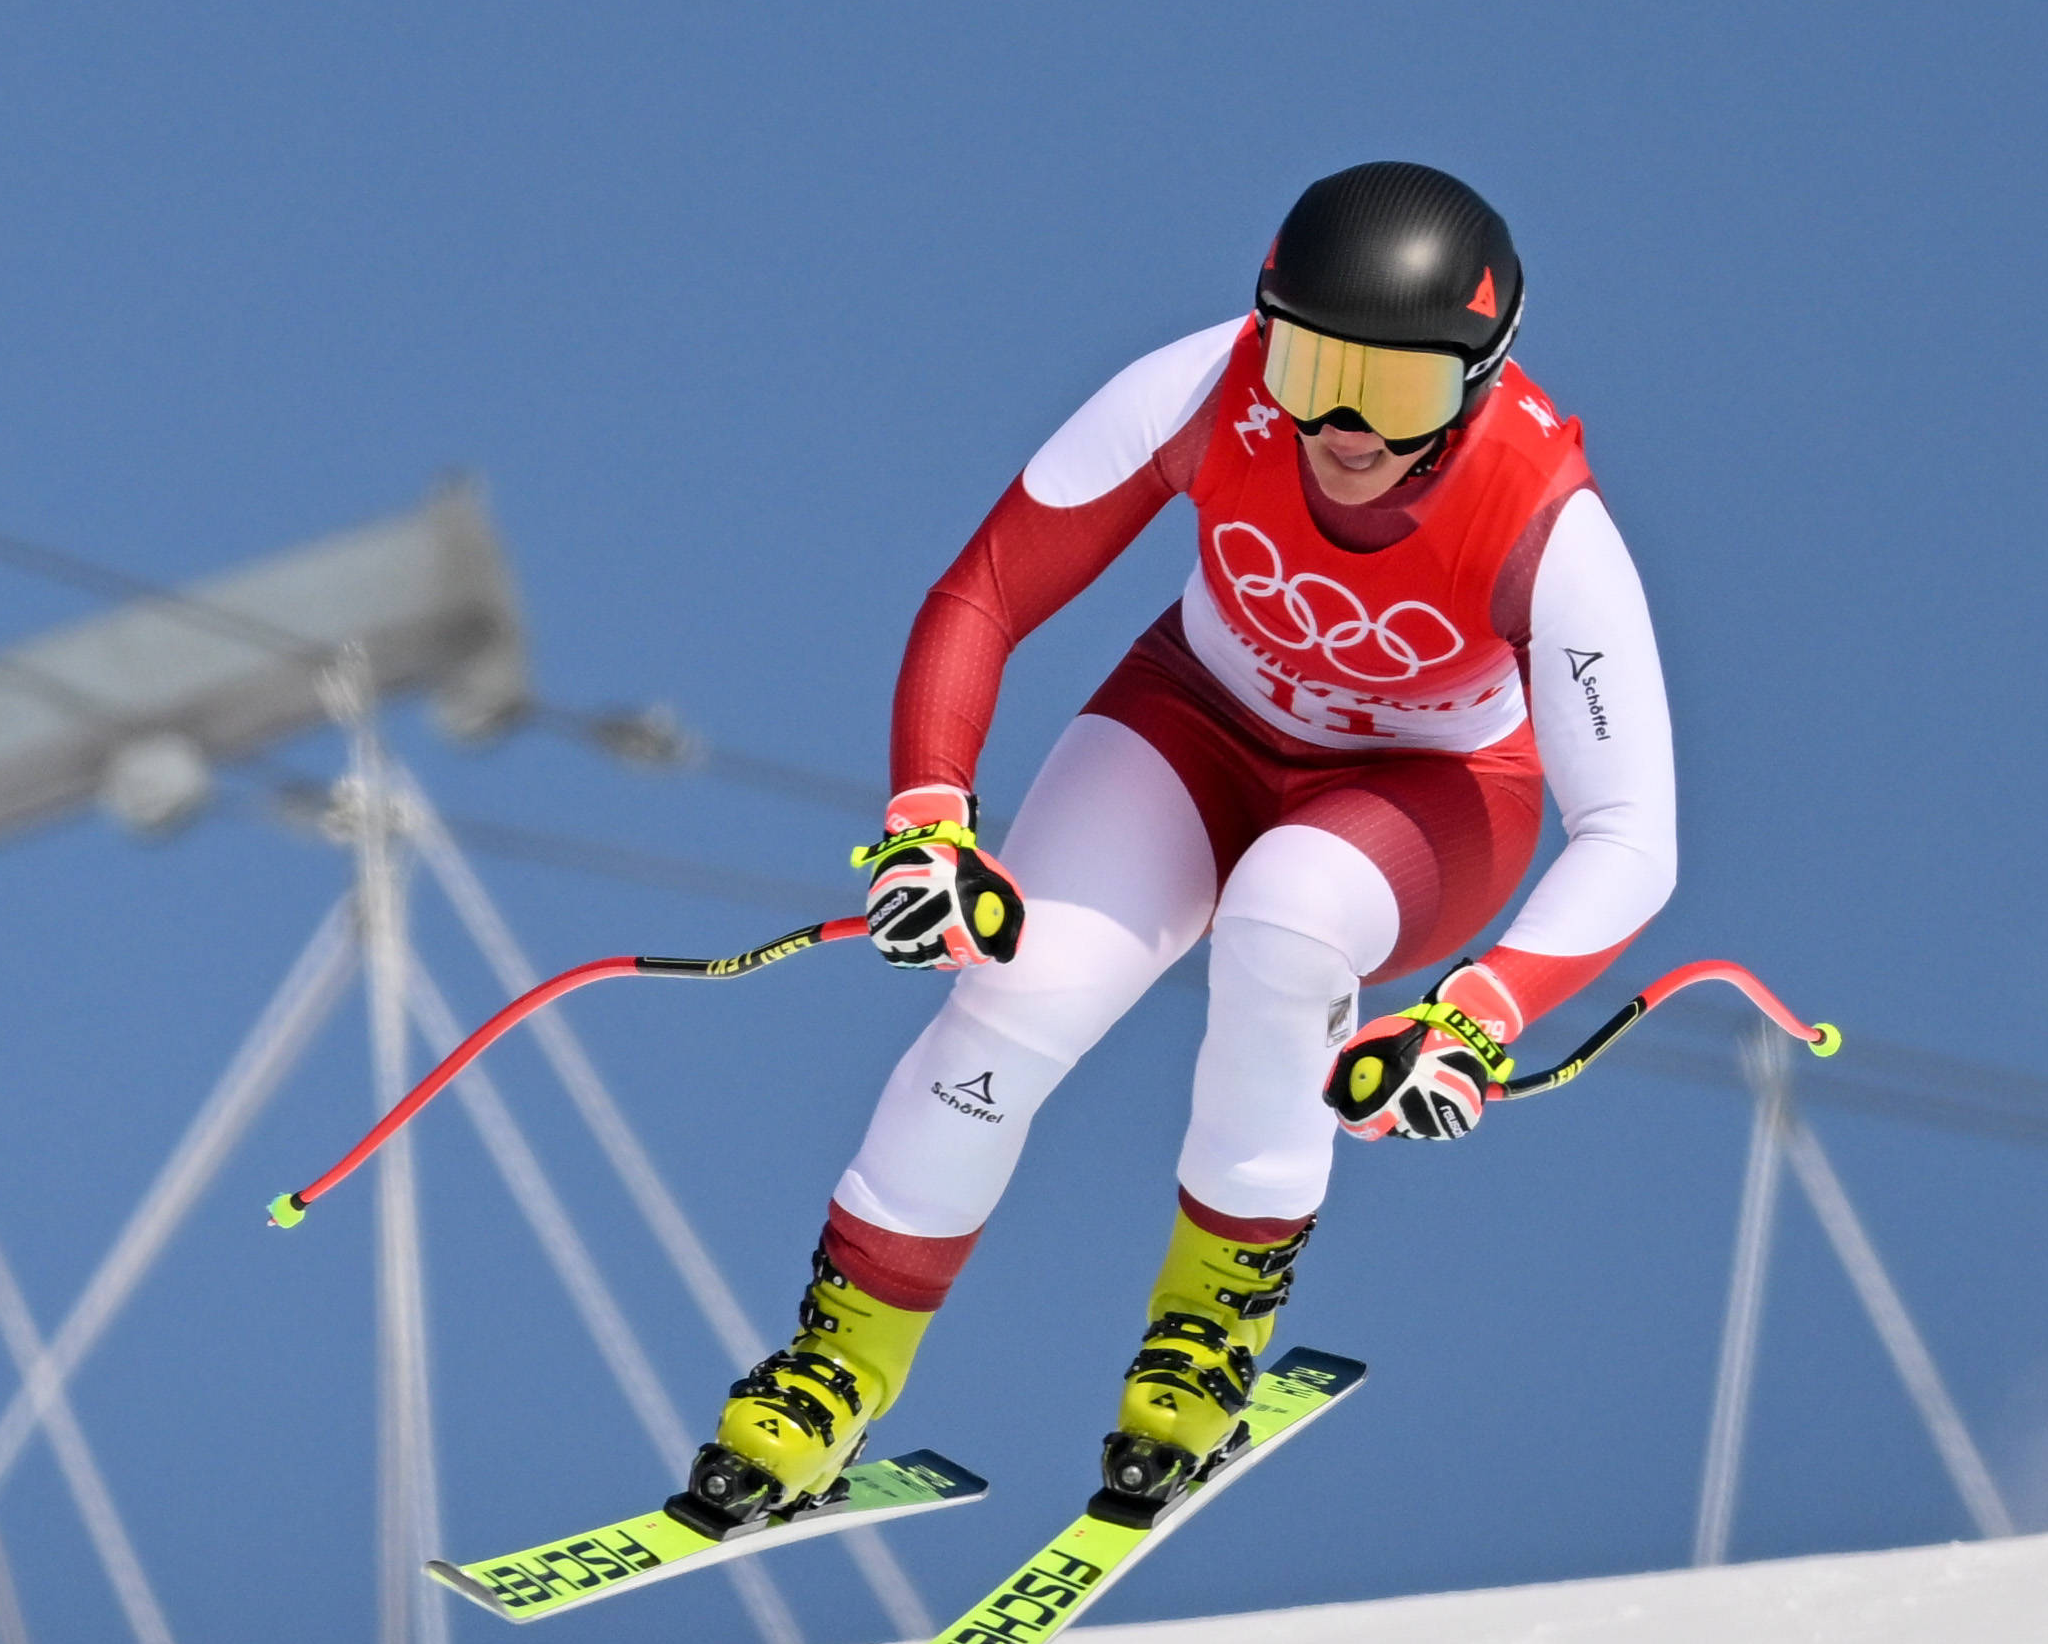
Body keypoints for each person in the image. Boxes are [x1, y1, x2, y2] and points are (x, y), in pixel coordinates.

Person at [677, 161, 1680, 1533]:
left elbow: (1629, 836)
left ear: (1481, 381)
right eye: (1311, 367)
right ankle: (838, 1364)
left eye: (1396, 392)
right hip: (1195, 722)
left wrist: (1479, 1015)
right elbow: (983, 594)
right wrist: (927, 821)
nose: (1340, 426)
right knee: (1016, 1000)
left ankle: (1203, 1337)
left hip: (1427, 796)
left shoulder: (1547, 522)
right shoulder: (1205, 388)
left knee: (1285, 923)